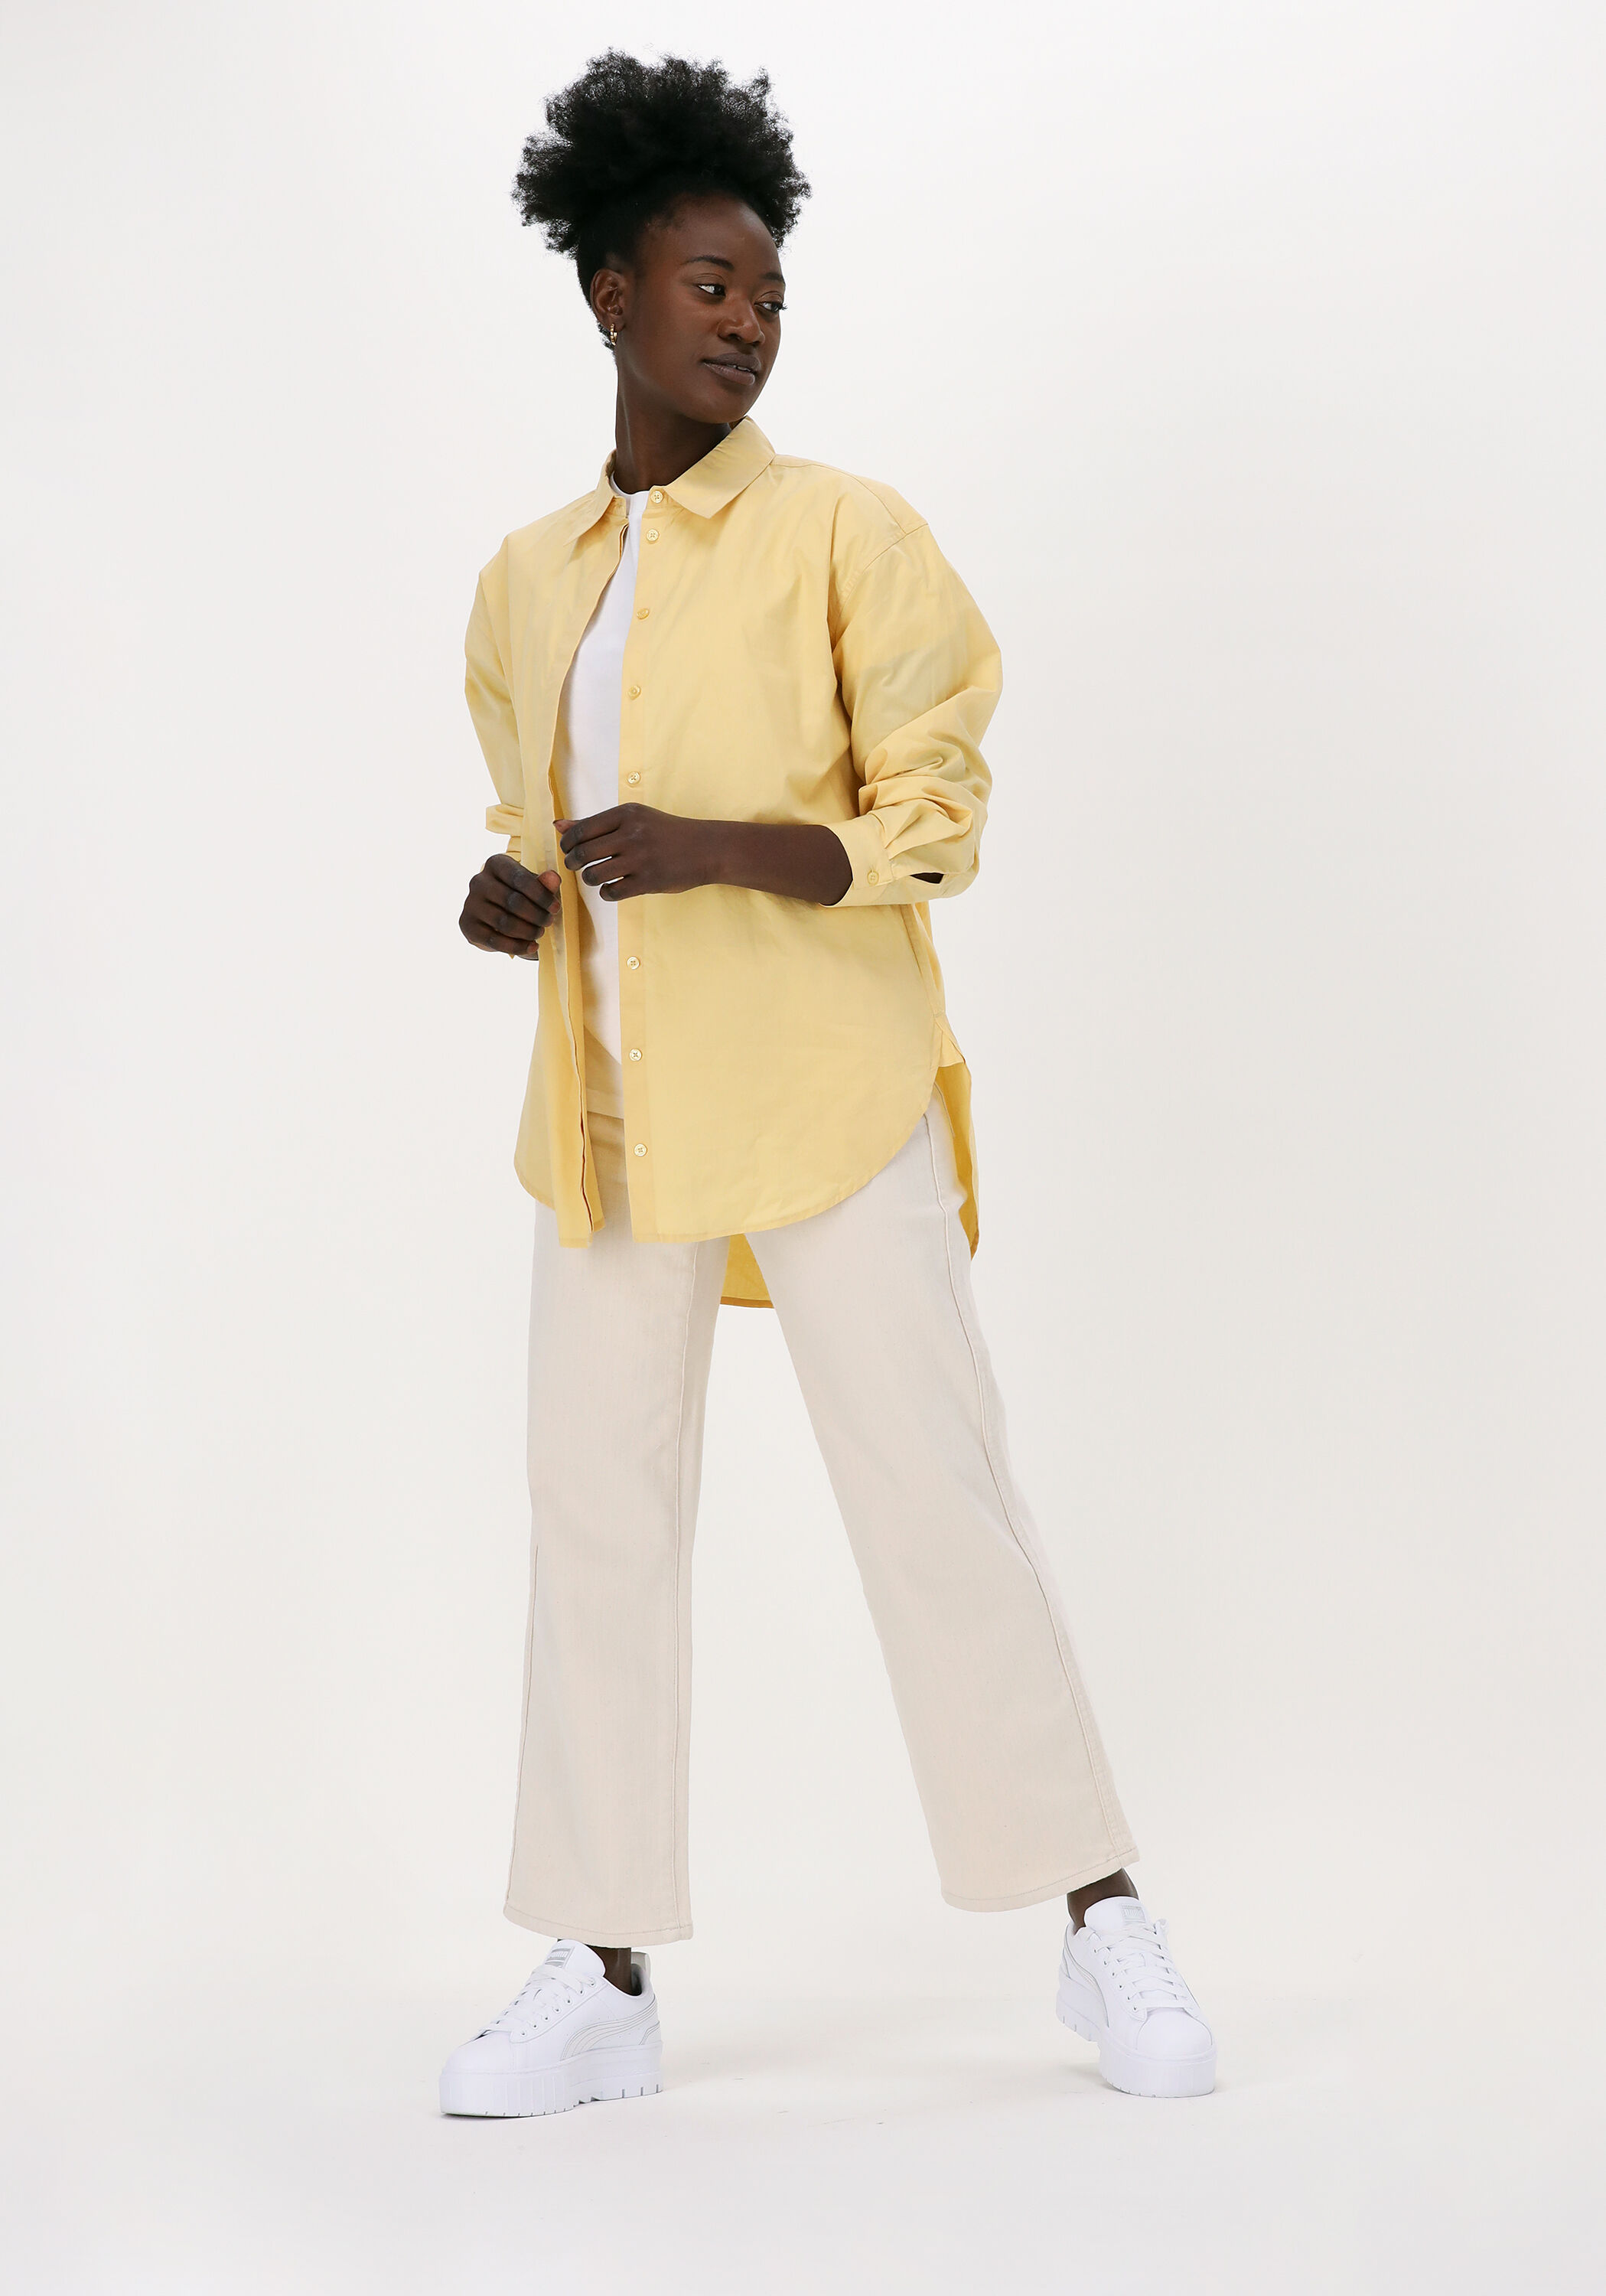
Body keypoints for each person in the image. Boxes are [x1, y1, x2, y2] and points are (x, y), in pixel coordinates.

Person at [440, 47, 1216, 2115]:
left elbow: (936, 820)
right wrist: (512, 896)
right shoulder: (525, 579)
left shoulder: (846, 534)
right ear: (608, 289)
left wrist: (719, 848)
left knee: (936, 1499)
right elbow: (535, 820)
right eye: (710, 285)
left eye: (769, 292)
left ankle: (1100, 1918)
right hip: (605, 1126)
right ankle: (597, 1963)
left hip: (826, 1094)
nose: (749, 322)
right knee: (595, 1528)